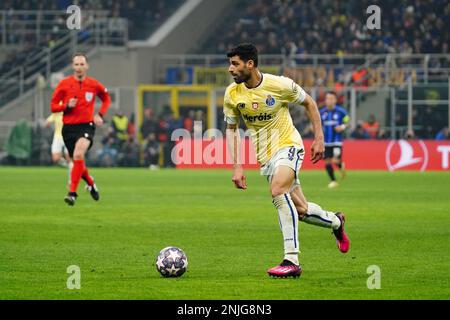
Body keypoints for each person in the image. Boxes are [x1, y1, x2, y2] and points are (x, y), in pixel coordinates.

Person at [224, 43, 350, 278]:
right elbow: (231, 129)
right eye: (230, 64)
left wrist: (319, 138)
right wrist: (238, 166)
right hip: (266, 156)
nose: (230, 69)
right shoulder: (232, 94)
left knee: (277, 189)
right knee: (300, 210)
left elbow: (310, 103)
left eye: (235, 64)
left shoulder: (279, 84)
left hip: (289, 144)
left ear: (250, 64)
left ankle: (291, 260)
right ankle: (336, 222)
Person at [50, 52, 111, 206]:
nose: (79, 67)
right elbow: (53, 106)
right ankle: (91, 182)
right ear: (73, 66)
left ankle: (72, 193)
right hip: (68, 128)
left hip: (86, 126)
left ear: (87, 66)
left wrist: (100, 114)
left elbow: (106, 98)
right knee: (78, 160)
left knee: (78, 154)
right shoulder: (64, 84)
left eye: (82, 64)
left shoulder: (94, 84)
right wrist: (66, 106)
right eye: (76, 64)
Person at [319, 91, 350, 188]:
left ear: (335, 100)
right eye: (328, 98)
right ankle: (333, 180)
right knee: (327, 161)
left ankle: (340, 165)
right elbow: (317, 124)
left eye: (331, 98)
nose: (329, 101)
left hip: (337, 141)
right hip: (326, 142)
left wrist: (343, 127)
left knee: (335, 159)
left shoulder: (341, 112)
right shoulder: (322, 112)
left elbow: (348, 122)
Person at [44, 111, 73, 185]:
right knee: (56, 159)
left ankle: (71, 181)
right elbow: (50, 119)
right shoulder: (58, 107)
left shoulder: (71, 107)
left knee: (69, 158)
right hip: (57, 136)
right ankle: (74, 169)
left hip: (68, 136)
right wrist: (47, 122)